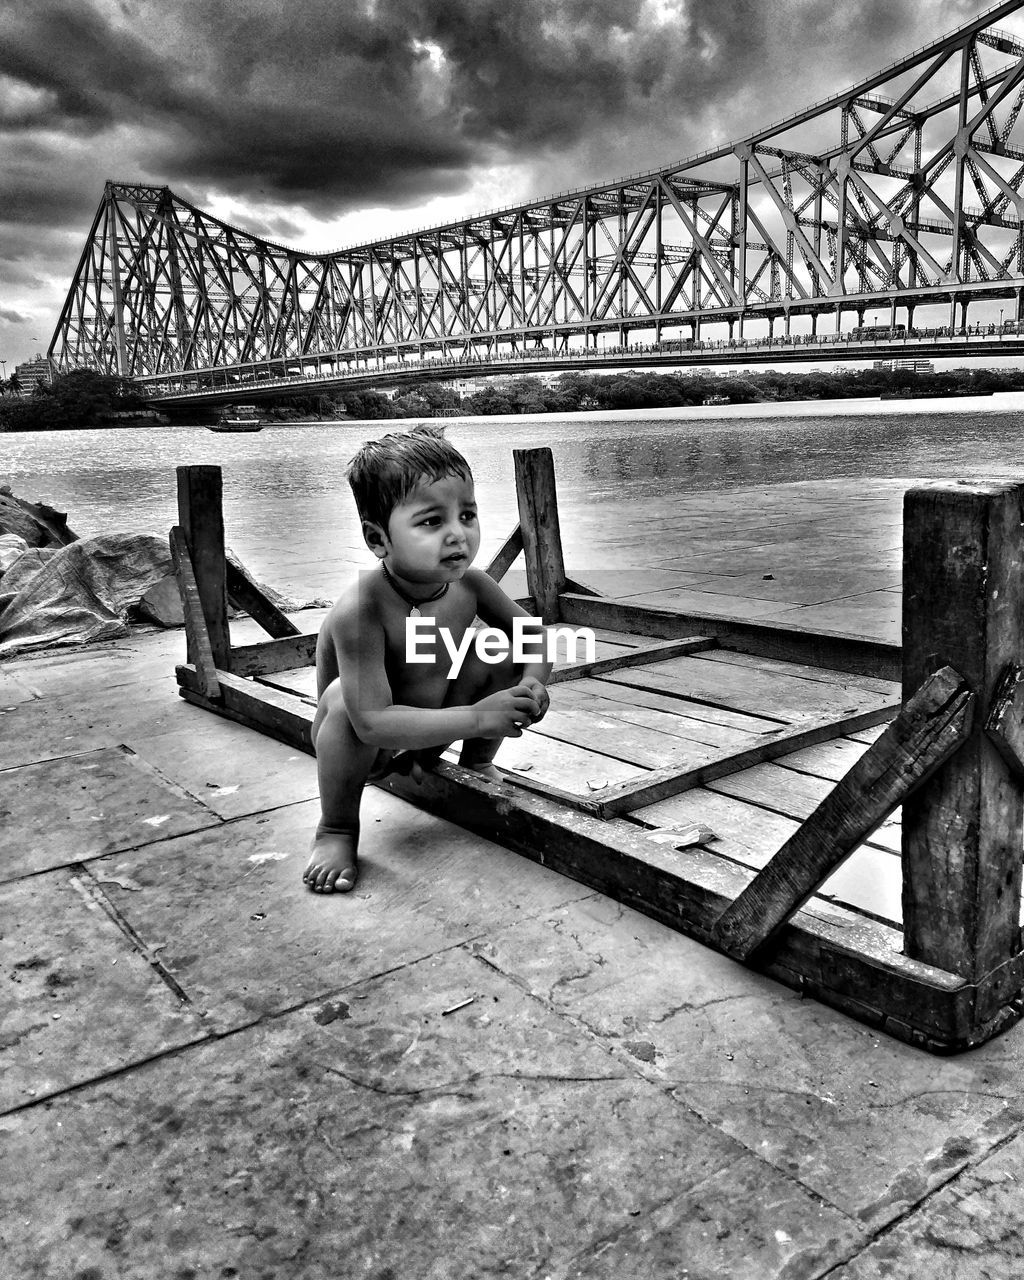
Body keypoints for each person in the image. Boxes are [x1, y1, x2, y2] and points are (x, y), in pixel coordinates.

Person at [303, 428, 551, 894]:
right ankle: (336, 828)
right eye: (432, 522)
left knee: (496, 649)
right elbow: (372, 722)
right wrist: (479, 716)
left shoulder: (471, 585)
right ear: (378, 540)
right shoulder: (362, 608)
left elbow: (532, 634)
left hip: (432, 733)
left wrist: (534, 681)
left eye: (467, 515)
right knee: (343, 698)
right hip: (369, 749)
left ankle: (475, 765)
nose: (458, 534)